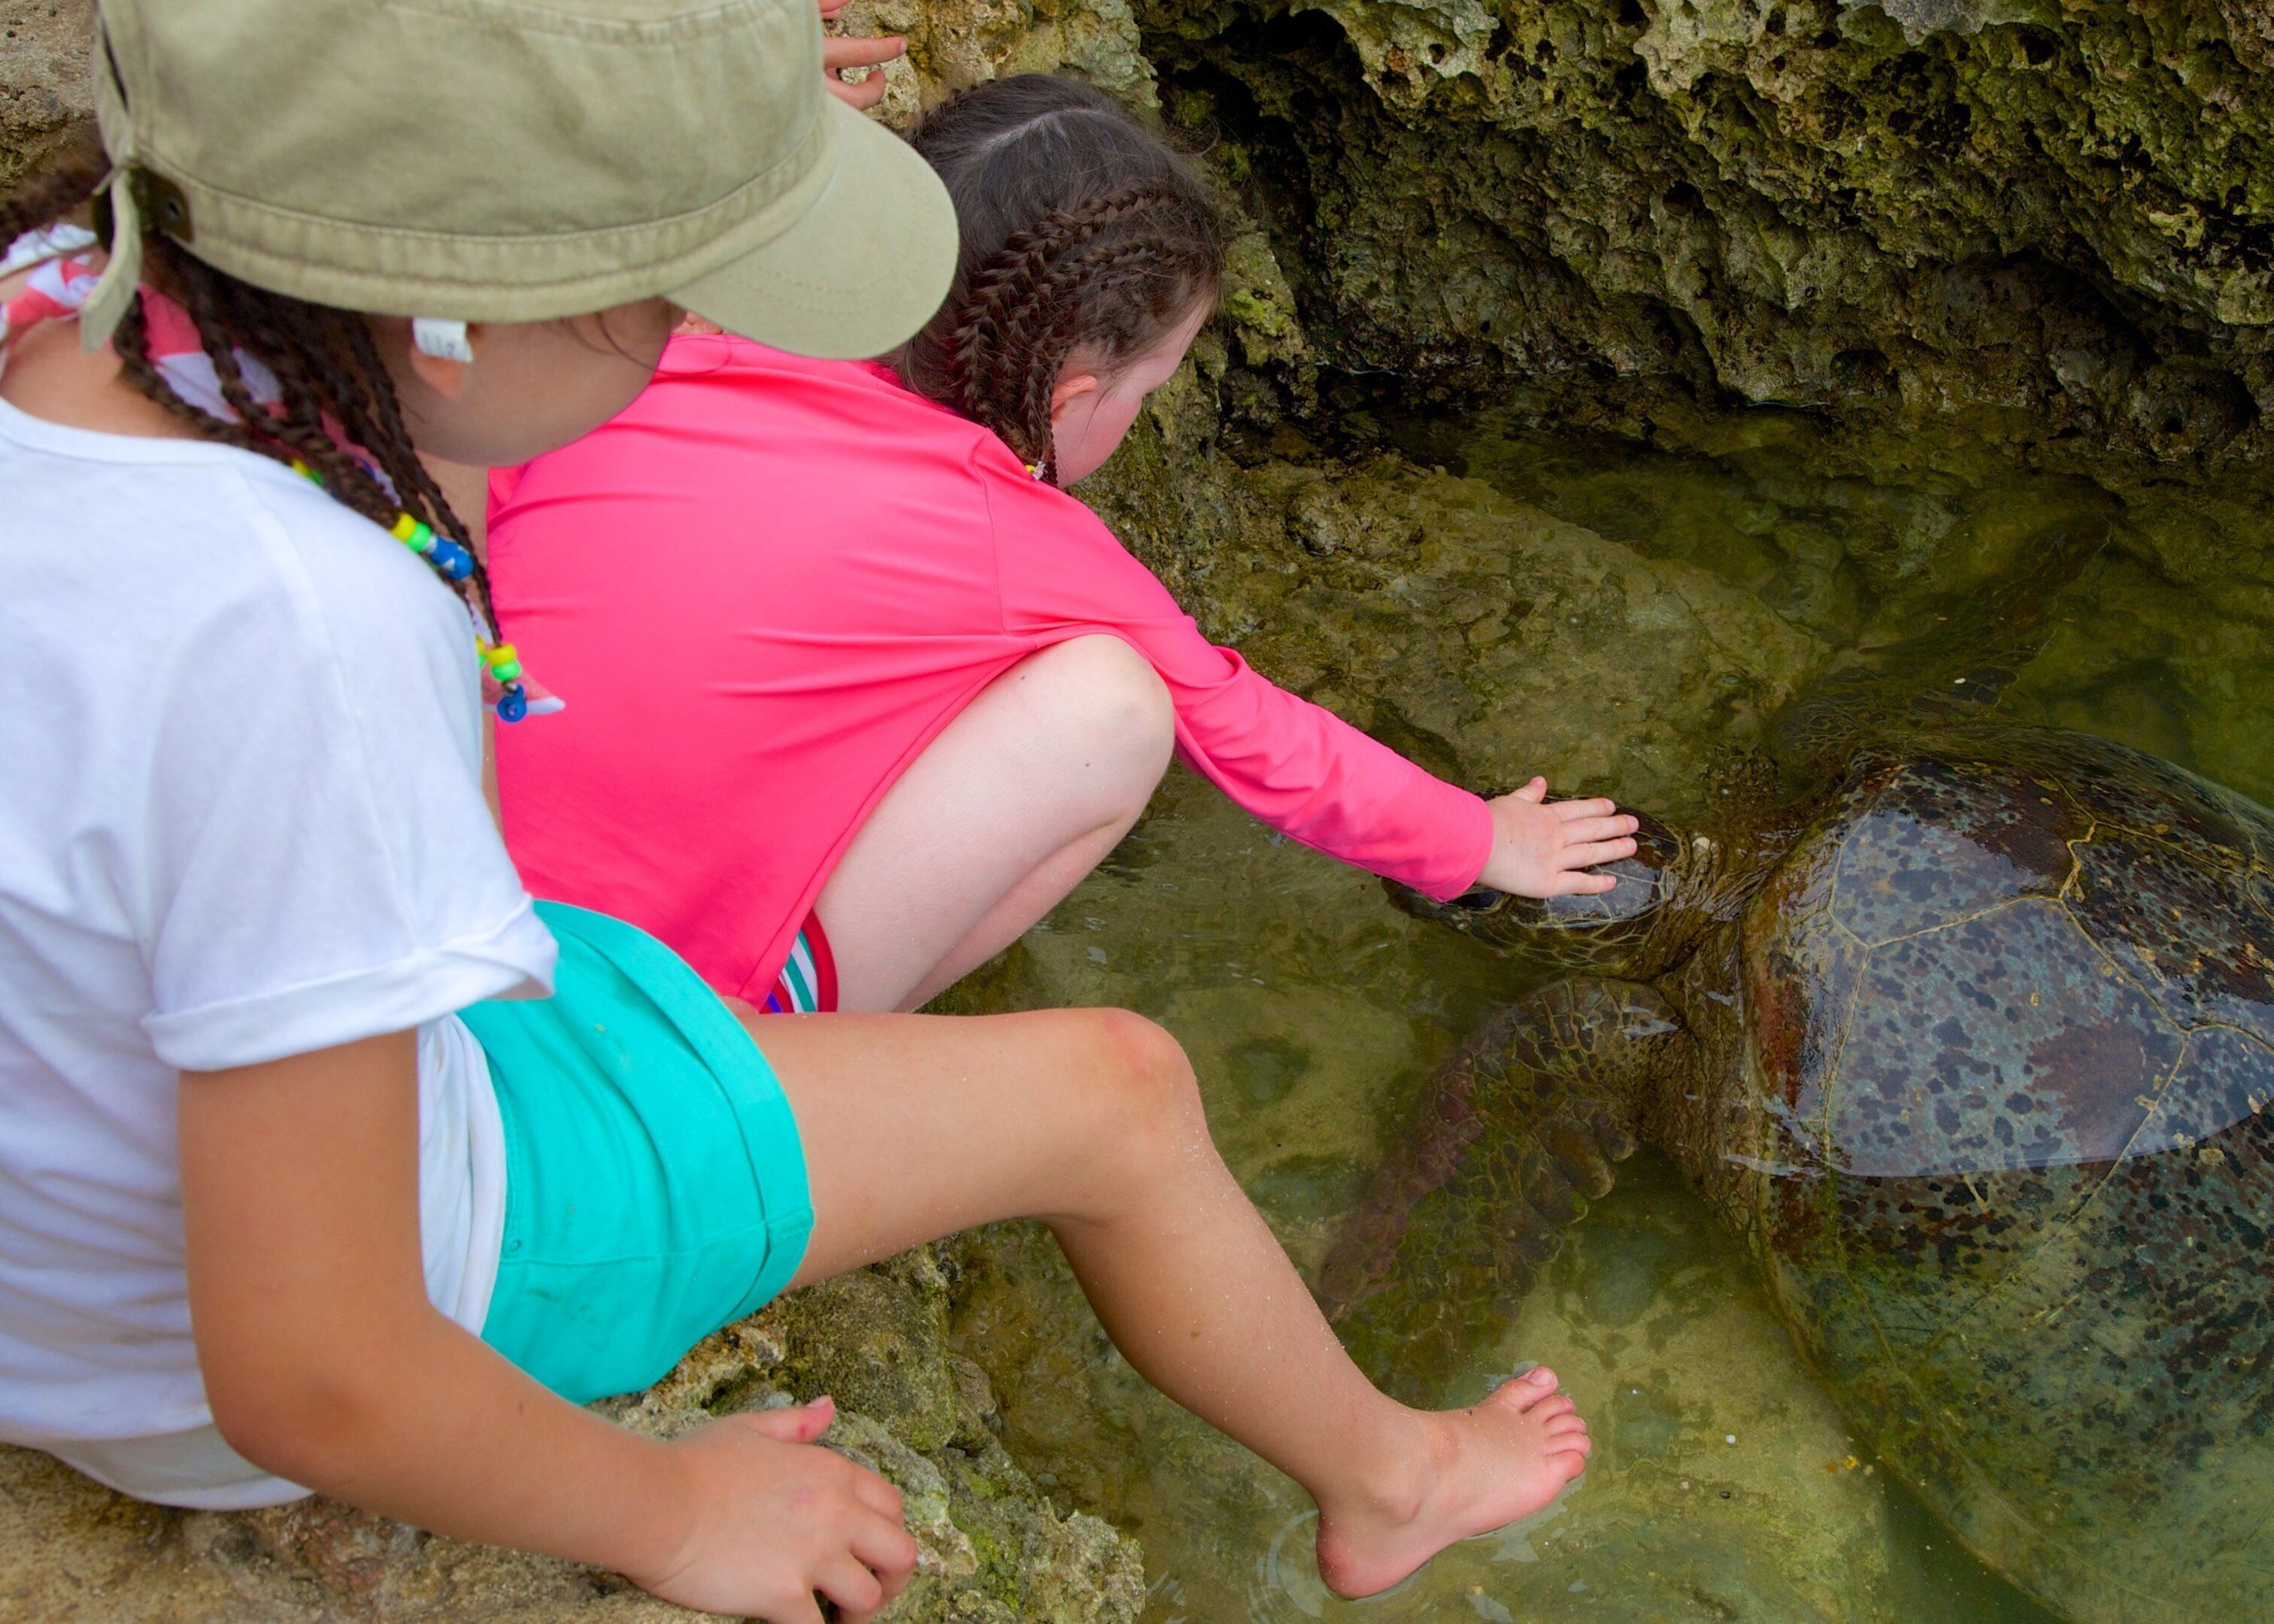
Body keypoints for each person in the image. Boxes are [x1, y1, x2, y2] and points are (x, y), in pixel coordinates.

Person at [0, 8, 1586, 1622]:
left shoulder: (72, 292)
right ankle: (1394, 1483)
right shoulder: (302, 647)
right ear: (463, 319)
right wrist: (675, 1513)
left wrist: (674, 120)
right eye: (679, 286)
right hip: (218, 1341)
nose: (711, 324)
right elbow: (314, 1373)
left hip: (93, 1193)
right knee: (1118, 1092)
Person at [485, 74, 1643, 1017]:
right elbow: (1257, 738)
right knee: (1116, 709)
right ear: (1073, 392)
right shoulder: (1020, 538)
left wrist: (753, 103)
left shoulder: (671, 346)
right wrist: (1481, 837)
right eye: (1154, 384)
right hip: (633, 1028)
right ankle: (807, 1073)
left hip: (446, 905)